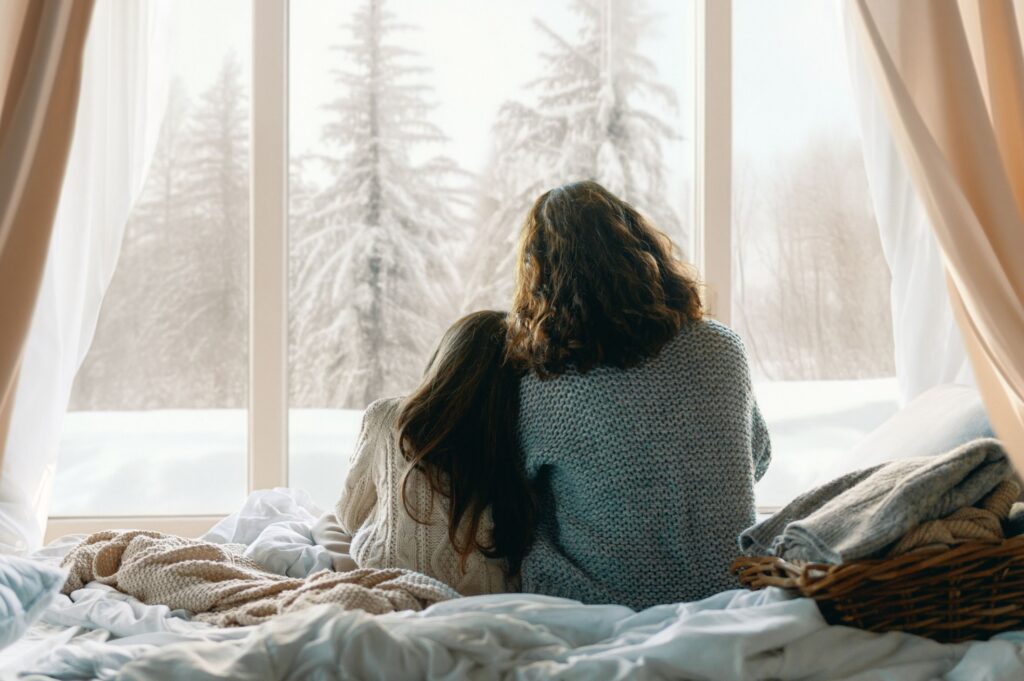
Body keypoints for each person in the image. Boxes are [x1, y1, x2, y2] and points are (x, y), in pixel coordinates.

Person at [507, 180, 771, 610]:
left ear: (541, 276)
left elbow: (518, 497)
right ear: (641, 248)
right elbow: (756, 458)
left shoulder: (544, 381)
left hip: (600, 603)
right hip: (729, 592)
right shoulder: (723, 348)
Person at [314, 311, 536, 596]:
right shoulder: (518, 435)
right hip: (485, 593)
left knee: (325, 523)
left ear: (444, 360)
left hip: (385, 575)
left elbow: (350, 516)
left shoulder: (386, 416)